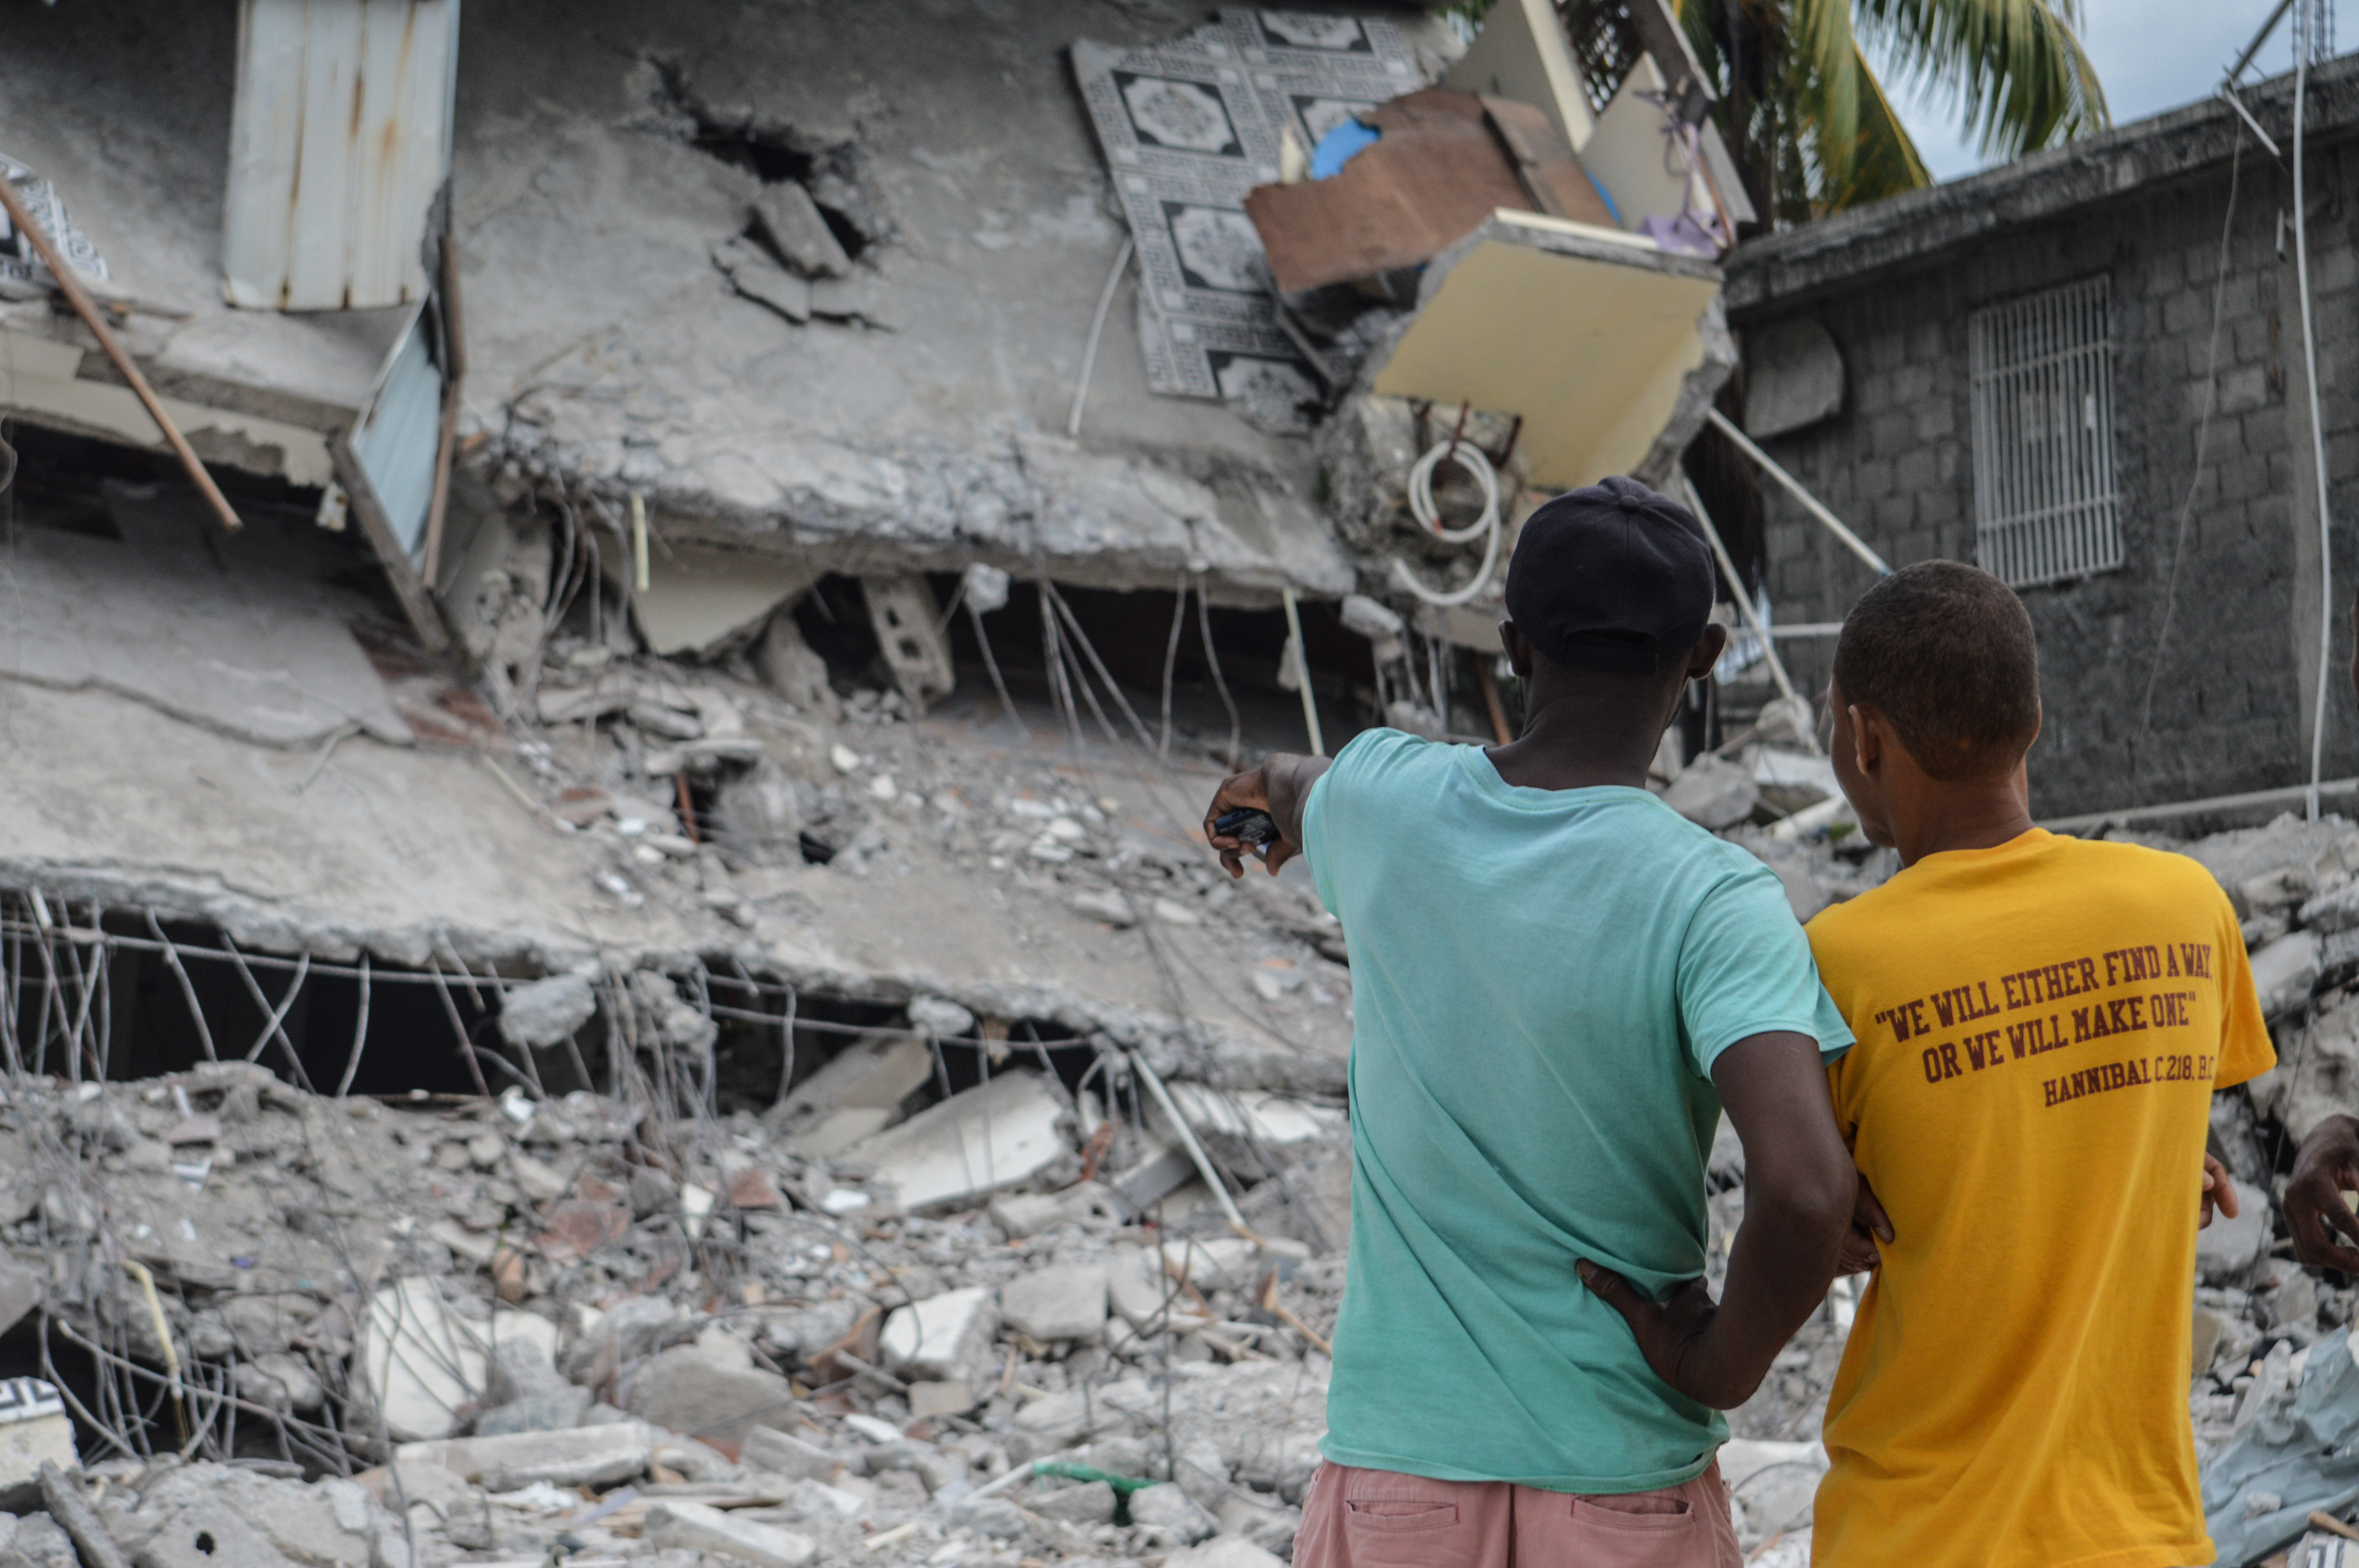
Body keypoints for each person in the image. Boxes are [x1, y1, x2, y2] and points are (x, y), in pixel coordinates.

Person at [1204, 477, 1857, 1568]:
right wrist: (1717, 1366)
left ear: (1513, 647)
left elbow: (1283, 780)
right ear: (1703, 656)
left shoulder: (1386, 803)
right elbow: (1804, 1188)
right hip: (1621, 1489)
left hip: (1397, 1486)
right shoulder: (1714, 898)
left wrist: (1240, 810)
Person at [1599, 561, 2275, 1568]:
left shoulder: (1838, 960)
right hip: (2141, 1536)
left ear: (1860, 736)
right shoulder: (2186, 908)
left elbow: (1817, 1216)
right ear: (2033, 721)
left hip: (1916, 1535)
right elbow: (2140, 1122)